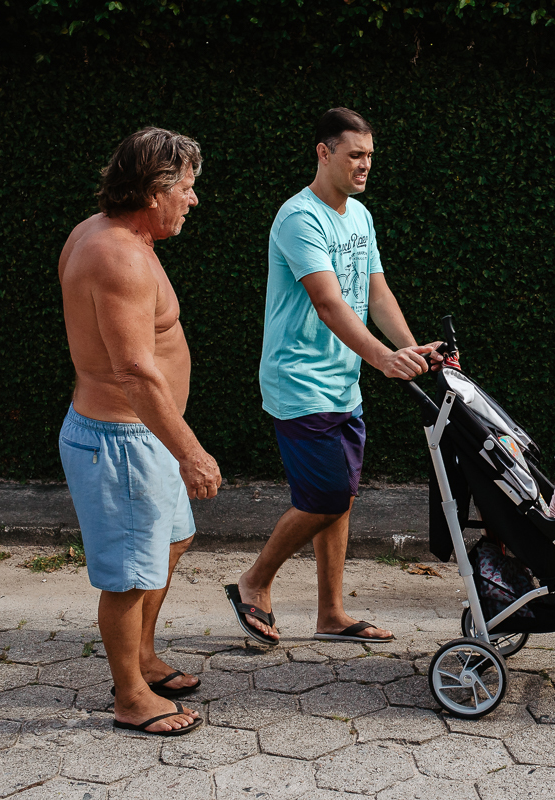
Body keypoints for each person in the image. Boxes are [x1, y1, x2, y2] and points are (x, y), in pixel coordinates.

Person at [225, 108, 441, 645]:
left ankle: (331, 615)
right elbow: (326, 302)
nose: (365, 165)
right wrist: (381, 358)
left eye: (370, 155)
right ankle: (253, 582)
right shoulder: (300, 218)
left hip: (341, 380)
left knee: (339, 497)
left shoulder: (359, 216)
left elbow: (375, 293)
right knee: (324, 497)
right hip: (299, 378)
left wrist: (410, 348)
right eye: (355, 155)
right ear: (324, 153)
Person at [58, 127, 222, 735]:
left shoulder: (109, 233)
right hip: (121, 442)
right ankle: (130, 695)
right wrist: (192, 451)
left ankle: (144, 658)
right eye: (186, 187)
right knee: (129, 574)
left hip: (143, 436)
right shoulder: (118, 254)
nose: (192, 199)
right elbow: (131, 369)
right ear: (155, 191)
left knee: (170, 543)